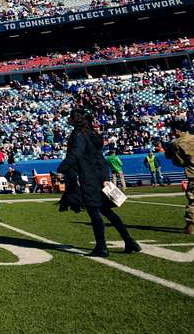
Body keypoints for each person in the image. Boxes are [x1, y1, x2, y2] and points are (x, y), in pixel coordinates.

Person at [57, 108, 141, 257]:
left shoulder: (79, 135)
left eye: (70, 117)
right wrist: (105, 179)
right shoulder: (92, 134)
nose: (68, 119)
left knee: (94, 212)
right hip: (99, 177)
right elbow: (100, 160)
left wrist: (61, 168)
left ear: (75, 119)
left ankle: (101, 247)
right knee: (107, 211)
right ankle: (129, 241)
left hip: (88, 177)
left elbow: (76, 154)